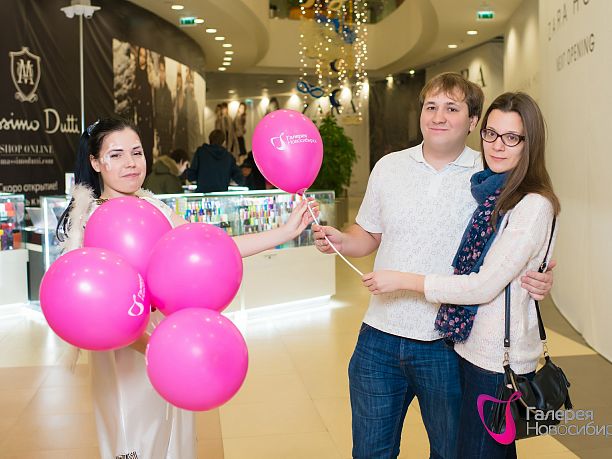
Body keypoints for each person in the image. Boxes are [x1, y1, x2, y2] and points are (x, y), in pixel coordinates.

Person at [312, 73, 553, 459]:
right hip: (379, 336)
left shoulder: (491, 176)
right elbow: (368, 233)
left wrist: (540, 275)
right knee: (370, 452)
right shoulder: (389, 167)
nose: (438, 117)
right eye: (431, 106)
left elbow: (518, 242)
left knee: (450, 451)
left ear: (472, 122)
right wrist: (342, 240)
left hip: (449, 344)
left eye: (452, 108)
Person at [56, 117, 318, 459]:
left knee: (176, 440)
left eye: (136, 152)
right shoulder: (91, 222)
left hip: (172, 339)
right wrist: (154, 348)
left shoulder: (155, 207)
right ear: (95, 162)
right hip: (128, 354)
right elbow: (100, 312)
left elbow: (210, 249)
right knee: (135, 438)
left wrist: (283, 232)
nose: (131, 163)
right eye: (116, 155)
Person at [187, 129, 244, 193]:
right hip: (221, 195)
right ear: (224, 142)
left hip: (203, 194)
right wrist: (226, 181)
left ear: (210, 140)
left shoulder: (200, 153)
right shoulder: (228, 157)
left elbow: (191, 176)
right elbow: (240, 179)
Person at [131, 46, 154, 172]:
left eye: (144, 56)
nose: (142, 59)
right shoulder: (136, 74)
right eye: (141, 55)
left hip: (148, 123)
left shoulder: (149, 74)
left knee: (148, 152)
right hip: (138, 122)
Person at [153, 56, 174, 157]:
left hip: (165, 129)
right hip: (157, 129)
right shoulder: (155, 90)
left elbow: (170, 113)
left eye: (163, 71)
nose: (162, 74)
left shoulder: (168, 92)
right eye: (160, 71)